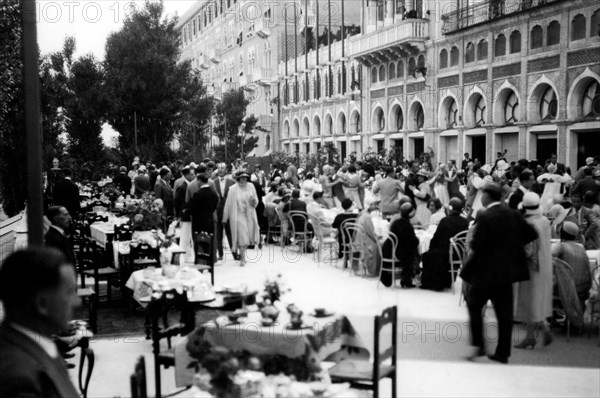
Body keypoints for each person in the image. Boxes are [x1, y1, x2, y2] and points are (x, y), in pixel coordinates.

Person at [460, 183, 537, 364]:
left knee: (474, 305)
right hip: (506, 271)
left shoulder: (487, 217)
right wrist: (512, 247)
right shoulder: (514, 215)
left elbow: (476, 245)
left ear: (488, 196)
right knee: (504, 314)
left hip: (485, 270)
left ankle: (479, 344)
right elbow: (531, 233)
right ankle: (502, 353)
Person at [0, 247, 81, 398]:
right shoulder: (19, 380)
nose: (77, 301)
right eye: (70, 292)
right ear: (42, 304)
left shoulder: (33, 344)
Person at [514, 193, 554, 349]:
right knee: (536, 299)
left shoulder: (528, 224)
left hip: (531, 267)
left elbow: (528, 251)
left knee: (528, 301)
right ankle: (533, 334)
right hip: (545, 264)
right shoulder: (544, 221)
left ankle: (537, 332)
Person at [420, 198, 469, 291]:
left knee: (427, 254)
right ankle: (447, 280)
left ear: (450, 208)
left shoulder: (446, 220)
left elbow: (436, 237)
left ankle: (431, 282)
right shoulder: (465, 221)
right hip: (459, 252)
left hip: (446, 253)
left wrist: (430, 247)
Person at [552, 221, 592, 310]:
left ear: (562, 233)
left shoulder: (561, 247)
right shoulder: (581, 247)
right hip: (584, 289)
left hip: (568, 289)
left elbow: (548, 257)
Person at [223, 171, 260, 266]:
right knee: (242, 235)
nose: (244, 179)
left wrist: (254, 202)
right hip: (238, 214)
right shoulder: (232, 189)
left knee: (247, 236)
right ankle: (242, 259)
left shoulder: (251, 186)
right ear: (238, 178)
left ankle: (243, 255)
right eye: (242, 178)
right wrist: (225, 217)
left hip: (249, 214)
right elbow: (228, 204)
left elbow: (256, 199)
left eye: (246, 177)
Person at [383, 202, 419, 288]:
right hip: (398, 252)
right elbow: (413, 242)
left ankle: (408, 278)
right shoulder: (407, 225)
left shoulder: (396, 223)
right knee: (415, 252)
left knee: (411, 250)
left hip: (389, 249)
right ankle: (408, 279)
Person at [213, 163, 237, 261]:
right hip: (217, 211)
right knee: (218, 233)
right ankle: (220, 254)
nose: (220, 170)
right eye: (218, 168)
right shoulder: (213, 182)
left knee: (230, 232)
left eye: (222, 168)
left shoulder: (232, 182)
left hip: (229, 210)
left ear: (226, 169)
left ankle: (235, 254)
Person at [354, 201, 381, 276]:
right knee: (379, 244)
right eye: (374, 204)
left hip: (359, 239)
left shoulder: (362, 214)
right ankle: (375, 270)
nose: (376, 207)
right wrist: (377, 237)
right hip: (364, 242)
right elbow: (371, 233)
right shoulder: (367, 217)